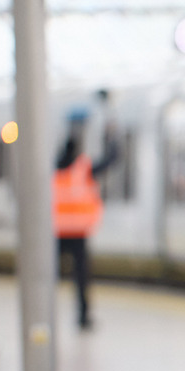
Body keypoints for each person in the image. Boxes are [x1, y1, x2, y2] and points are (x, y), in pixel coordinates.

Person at [52, 107, 117, 330]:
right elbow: (112, 160)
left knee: (49, 276)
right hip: (78, 233)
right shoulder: (83, 170)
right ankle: (83, 316)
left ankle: (45, 312)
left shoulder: (53, 171)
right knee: (81, 278)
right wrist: (112, 137)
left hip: (57, 233)